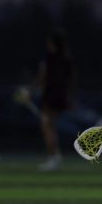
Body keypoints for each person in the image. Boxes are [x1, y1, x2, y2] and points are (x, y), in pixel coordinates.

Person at [32, 29, 76, 171]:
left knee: (47, 126)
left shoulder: (49, 58)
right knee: (50, 125)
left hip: (51, 95)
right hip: (60, 96)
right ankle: (54, 156)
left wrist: (29, 91)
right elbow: (72, 81)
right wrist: (70, 98)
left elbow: (41, 76)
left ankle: (54, 156)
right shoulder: (67, 58)